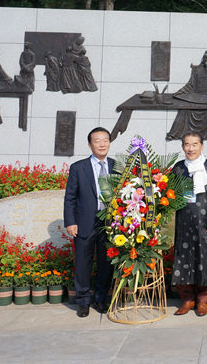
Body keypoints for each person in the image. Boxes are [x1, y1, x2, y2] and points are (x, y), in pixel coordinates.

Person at [171, 132, 207, 317]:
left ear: (202, 146)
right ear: (183, 147)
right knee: (184, 261)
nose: (191, 148)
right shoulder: (178, 168)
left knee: (205, 261)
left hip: (206, 225)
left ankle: (203, 301)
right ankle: (187, 300)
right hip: (184, 225)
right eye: (187, 144)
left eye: (195, 144)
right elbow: (170, 195)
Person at [63, 127, 114, 317]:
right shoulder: (78, 168)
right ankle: (83, 301)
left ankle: (101, 299)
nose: (102, 144)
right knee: (83, 264)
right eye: (97, 140)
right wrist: (70, 221)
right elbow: (70, 197)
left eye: (105, 140)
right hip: (84, 222)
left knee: (106, 263)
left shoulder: (116, 166)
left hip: (109, 224)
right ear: (90, 144)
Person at [166, 50, 207, 142]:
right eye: (205, 61)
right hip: (196, 97)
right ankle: (174, 133)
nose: (206, 63)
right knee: (183, 110)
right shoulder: (198, 71)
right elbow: (190, 85)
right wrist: (180, 92)